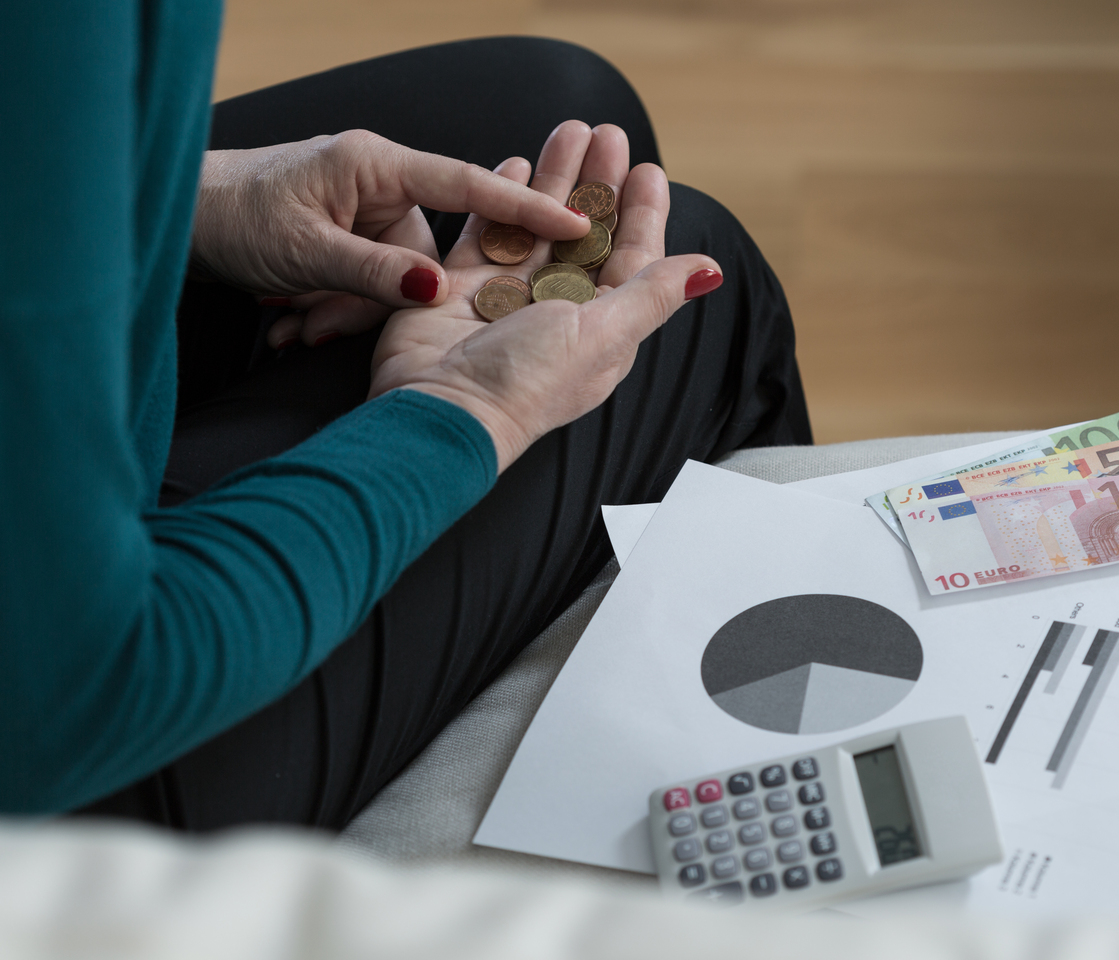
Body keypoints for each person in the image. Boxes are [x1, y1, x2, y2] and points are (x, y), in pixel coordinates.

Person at [1, 9, 810, 830]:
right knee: (708, 278)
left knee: (559, 100)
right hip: (64, 739)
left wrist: (177, 206)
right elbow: (67, 692)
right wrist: (466, 410)